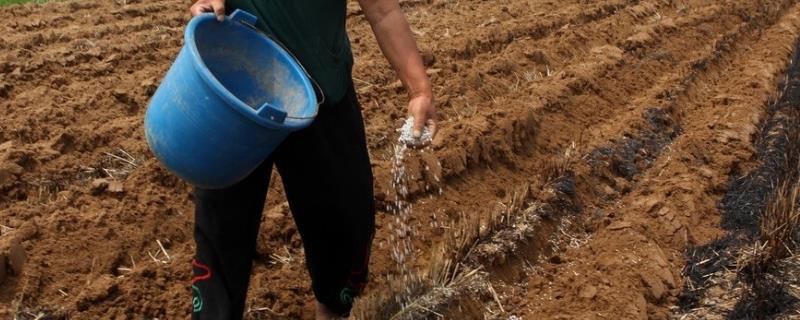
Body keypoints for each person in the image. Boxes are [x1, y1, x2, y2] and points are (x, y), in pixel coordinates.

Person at [187, 0, 436, 319]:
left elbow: (383, 11)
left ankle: (332, 307)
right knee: (222, 234)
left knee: (345, 219)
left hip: (319, 89)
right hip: (233, 85)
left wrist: (419, 91)